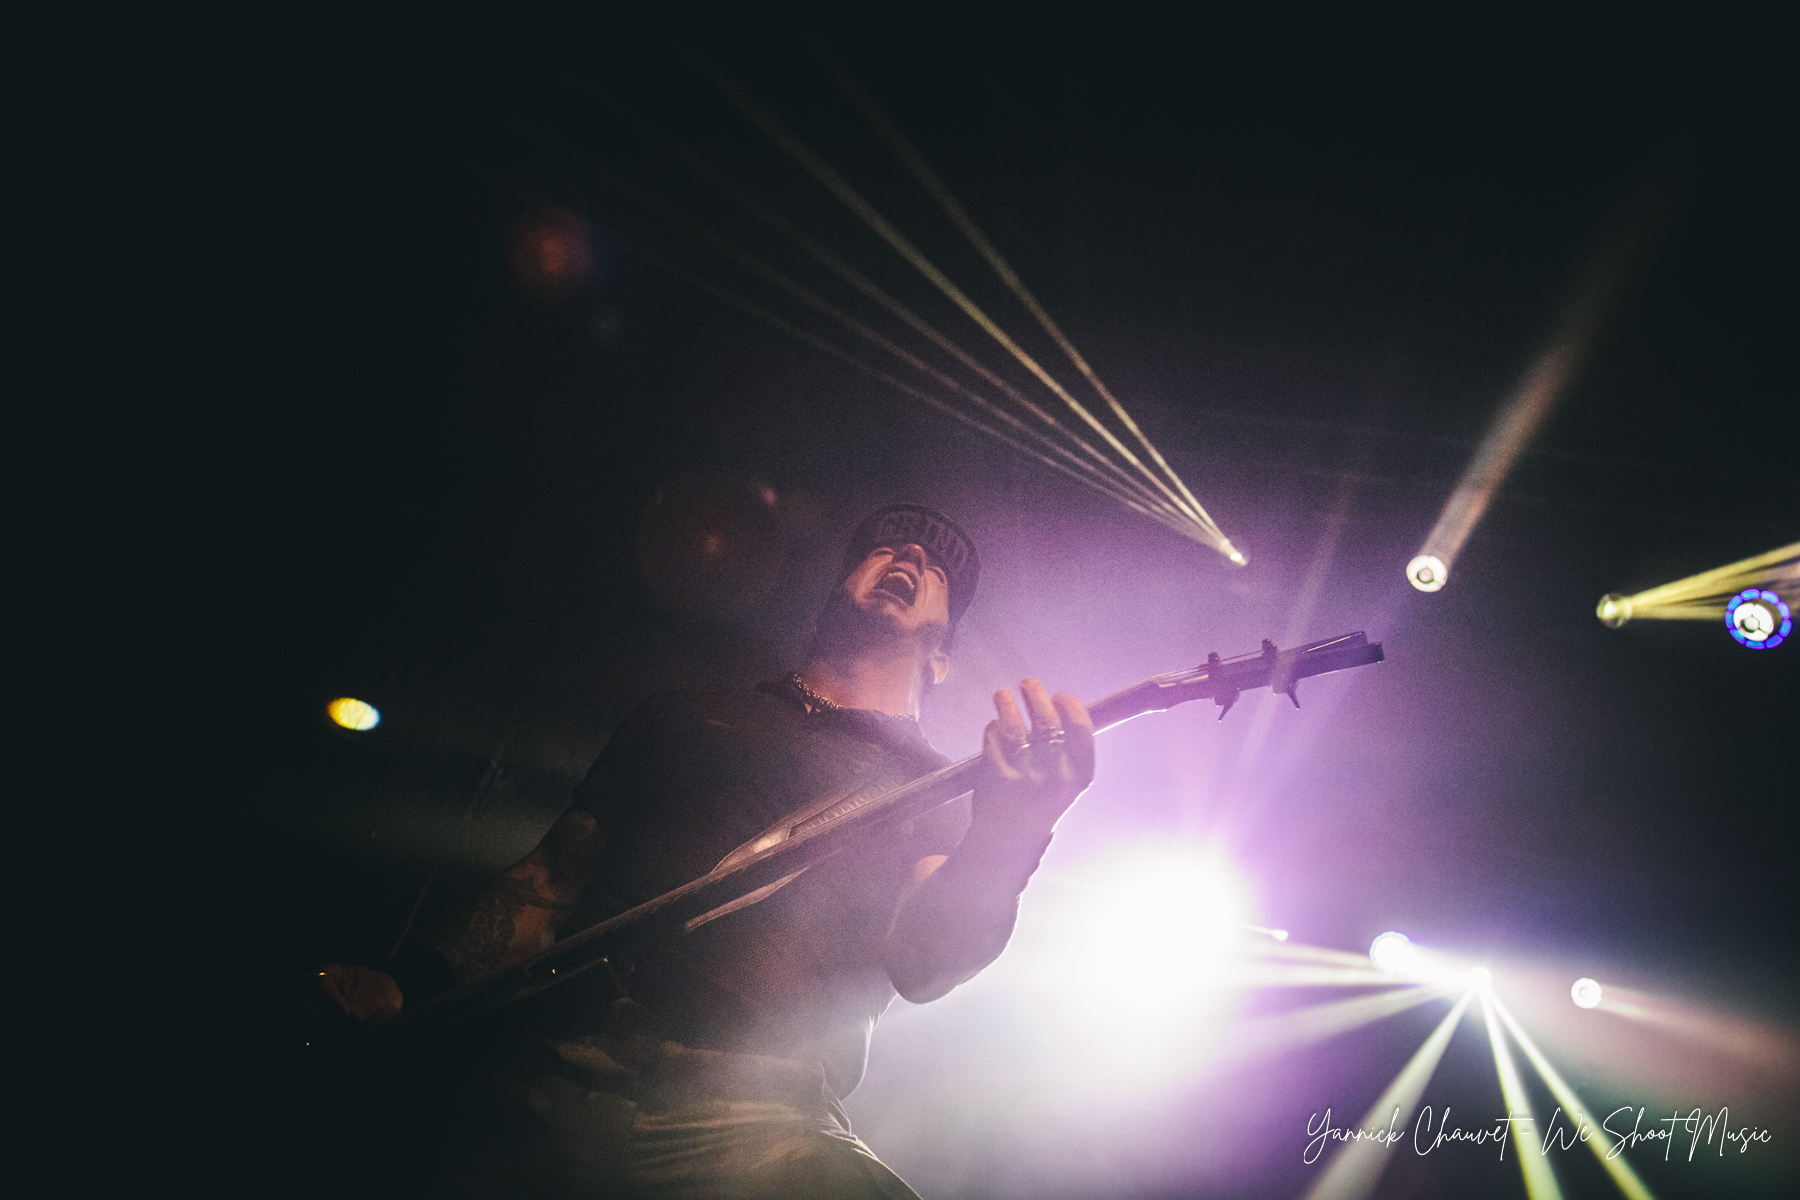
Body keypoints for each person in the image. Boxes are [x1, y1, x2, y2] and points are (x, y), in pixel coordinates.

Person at [311, 504, 1095, 1198]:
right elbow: (549, 885)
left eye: (935, 570)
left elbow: (925, 966)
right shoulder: (685, 714)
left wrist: (1007, 840)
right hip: (568, 1072)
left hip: (763, 1115)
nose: (910, 560)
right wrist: (410, 981)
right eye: (887, 546)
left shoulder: (943, 787)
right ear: (836, 589)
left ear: (944, 658)